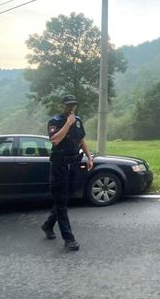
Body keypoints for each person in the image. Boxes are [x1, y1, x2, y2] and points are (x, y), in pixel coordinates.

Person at [41, 94, 93, 251]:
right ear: (62, 106)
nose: (71, 108)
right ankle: (69, 239)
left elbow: (81, 140)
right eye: (68, 105)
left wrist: (90, 157)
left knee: (64, 198)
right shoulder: (55, 121)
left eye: (73, 105)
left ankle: (48, 225)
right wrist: (68, 124)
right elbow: (55, 140)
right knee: (62, 201)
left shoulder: (78, 121)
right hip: (59, 164)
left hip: (74, 163)